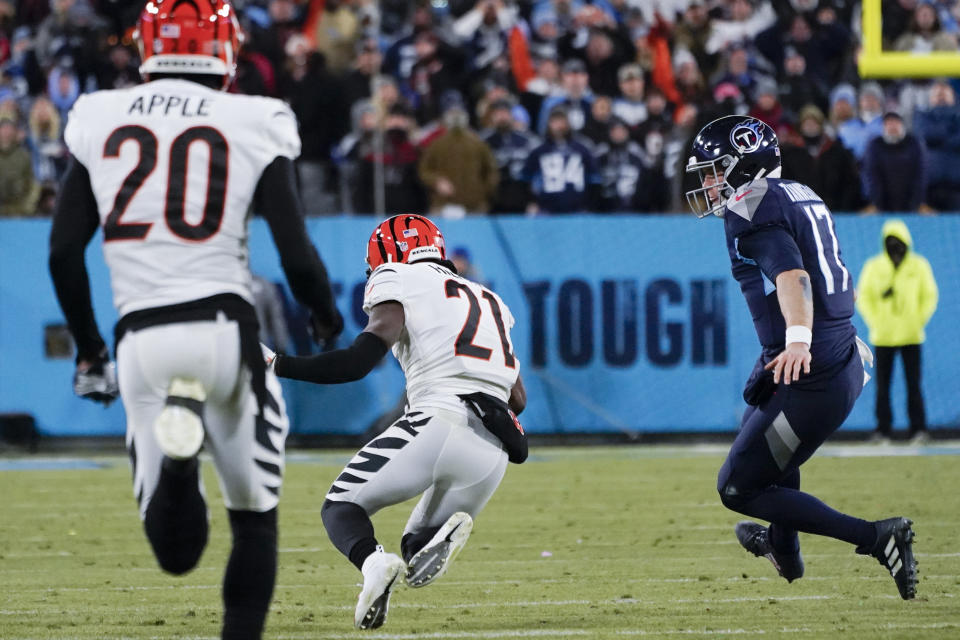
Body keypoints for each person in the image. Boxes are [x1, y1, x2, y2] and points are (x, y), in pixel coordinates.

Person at [46, 2, 343, 638]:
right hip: (223, 331)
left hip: (142, 339)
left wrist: (91, 351)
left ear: (147, 46)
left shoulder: (100, 115)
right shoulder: (254, 117)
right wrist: (323, 314)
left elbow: (63, 253)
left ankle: (181, 467)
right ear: (226, 49)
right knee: (254, 521)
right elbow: (295, 251)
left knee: (176, 555)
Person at [685, 115, 918, 601]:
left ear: (745, 164)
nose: (707, 182)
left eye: (715, 169)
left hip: (813, 368)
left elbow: (793, 276)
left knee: (737, 488)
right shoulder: (795, 191)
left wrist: (797, 340)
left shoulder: (750, 209)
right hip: (829, 353)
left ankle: (875, 537)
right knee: (766, 452)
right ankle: (785, 556)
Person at [267, 214, 527, 629]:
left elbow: (356, 363)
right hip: (491, 450)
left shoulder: (398, 277)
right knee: (416, 549)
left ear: (388, 256)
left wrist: (277, 364)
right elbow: (518, 398)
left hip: (437, 420)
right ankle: (432, 536)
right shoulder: (489, 299)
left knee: (341, 508)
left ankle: (373, 565)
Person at [856, 220, 938, 444]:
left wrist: (917, 320)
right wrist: (876, 322)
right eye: (890, 241)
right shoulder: (874, 266)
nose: (895, 245)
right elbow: (864, 297)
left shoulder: (919, 266)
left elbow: (929, 295)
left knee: (914, 384)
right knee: (883, 386)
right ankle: (883, 431)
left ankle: (918, 430)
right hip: (883, 336)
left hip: (912, 335)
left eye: (898, 240)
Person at [521, 106, 600, 214]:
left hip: (577, 210)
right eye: (555, 121)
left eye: (562, 121)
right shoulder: (538, 150)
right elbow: (526, 179)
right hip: (546, 209)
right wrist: (532, 201)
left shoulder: (582, 148)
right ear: (549, 123)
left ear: (568, 123)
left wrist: (589, 205)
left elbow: (594, 180)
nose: (559, 125)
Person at [862, 112, 930, 213]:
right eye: (888, 123)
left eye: (895, 123)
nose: (892, 127)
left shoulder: (913, 143)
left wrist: (916, 203)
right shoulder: (875, 145)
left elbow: (920, 174)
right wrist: (877, 203)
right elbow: (871, 175)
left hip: (911, 205)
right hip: (882, 206)